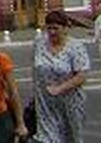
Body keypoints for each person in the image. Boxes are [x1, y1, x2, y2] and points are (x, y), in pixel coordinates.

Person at [32, 10, 89, 143]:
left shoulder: (76, 47)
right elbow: (34, 68)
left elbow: (81, 76)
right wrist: (35, 92)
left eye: (56, 28)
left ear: (65, 28)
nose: (52, 32)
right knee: (46, 139)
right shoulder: (39, 43)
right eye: (49, 28)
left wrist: (60, 88)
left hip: (70, 103)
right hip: (45, 103)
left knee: (71, 138)